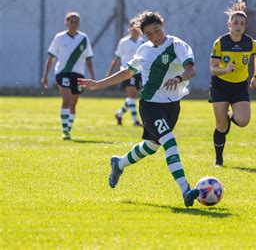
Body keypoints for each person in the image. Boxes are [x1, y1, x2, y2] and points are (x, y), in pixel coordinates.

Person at [78, 11, 200, 207]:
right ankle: (185, 189)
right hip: (150, 105)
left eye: (156, 30)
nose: (154, 36)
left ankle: (119, 163)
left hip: (172, 105)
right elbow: (127, 72)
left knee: (152, 146)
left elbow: (192, 70)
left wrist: (178, 78)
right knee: (169, 141)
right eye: (149, 34)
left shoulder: (178, 45)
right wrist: (97, 84)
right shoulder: (143, 50)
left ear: (162, 25)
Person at [209, 0, 256, 167]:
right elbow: (213, 69)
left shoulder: (250, 43)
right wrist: (225, 69)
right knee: (221, 125)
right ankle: (219, 160)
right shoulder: (221, 42)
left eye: (242, 23)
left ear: (245, 26)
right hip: (220, 85)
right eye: (236, 22)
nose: (238, 26)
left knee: (243, 121)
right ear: (229, 24)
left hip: (240, 87)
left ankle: (230, 114)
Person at [41, 12, 95, 140]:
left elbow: (88, 59)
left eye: (76, 22)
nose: (74, 24)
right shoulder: (59, 37)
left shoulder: (84, 38)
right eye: (71, 21)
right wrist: (45, 76)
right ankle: (65, 131)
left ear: (79, 24)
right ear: (66, 23)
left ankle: (68, 128)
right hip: (63, 72)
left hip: (78, 74)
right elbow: (51, 57)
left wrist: (92, 77)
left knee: (73, 103)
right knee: (66, 99)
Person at [106, 19, 145, 126]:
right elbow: (117, 58)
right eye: (133, 26)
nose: (135, 29)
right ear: (129, 28)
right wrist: (110, 72)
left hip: (139, 73)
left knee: (133, 97)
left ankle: (119, 114)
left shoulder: (142, 42)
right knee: (132, 96)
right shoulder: (123, 42)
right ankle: (135, 120)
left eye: (137, 27)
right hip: (127, 72)